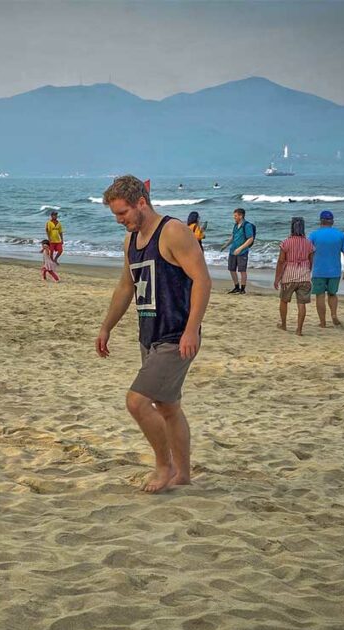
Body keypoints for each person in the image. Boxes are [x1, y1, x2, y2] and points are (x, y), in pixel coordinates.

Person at [95, 175, 211, 494]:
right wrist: (107, 326)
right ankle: (184, 475)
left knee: (136, 402)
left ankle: (165, 465)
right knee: (169, 407)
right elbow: (126, 287)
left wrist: (191, 330)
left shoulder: (173, 231)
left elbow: (202, 280)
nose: (120, 221)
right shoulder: (131, 242)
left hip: (176, 335)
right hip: (149, 334)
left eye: (123, 213)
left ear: (141, 203)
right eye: (116, 215)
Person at [309, 210, 344, 328]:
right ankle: (333, 315)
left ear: (320, 221)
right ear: (332, 221)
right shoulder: (340, 235)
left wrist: (308, 267)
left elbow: (309, 253)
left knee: (320, 296)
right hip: (335, 271)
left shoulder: (314, 235)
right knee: (332, 294)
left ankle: (322, 322)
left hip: (318, 271)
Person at [273, 217, 315, 336]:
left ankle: (284, 324)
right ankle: (299, 330)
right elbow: (311, 261)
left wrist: (277, 278)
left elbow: (281, 261)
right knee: (301, 304)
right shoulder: (308, 243)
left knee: (284, 301)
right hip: (304, 277)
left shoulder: (286, 242)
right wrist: (308, 271)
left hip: (288, 276)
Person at [218, 208, 256, 294]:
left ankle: (242, 289)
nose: (234, 217)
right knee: (232, 269)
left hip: (242, 251)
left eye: (235, 216)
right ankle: (236, 287)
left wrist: (240, 248)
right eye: (234, 215)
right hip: (233, 250)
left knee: (242, 270)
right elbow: (233, 237)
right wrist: (225, 245)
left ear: (241, 216)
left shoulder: (247, 225)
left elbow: (250, 239)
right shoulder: (236, 225)